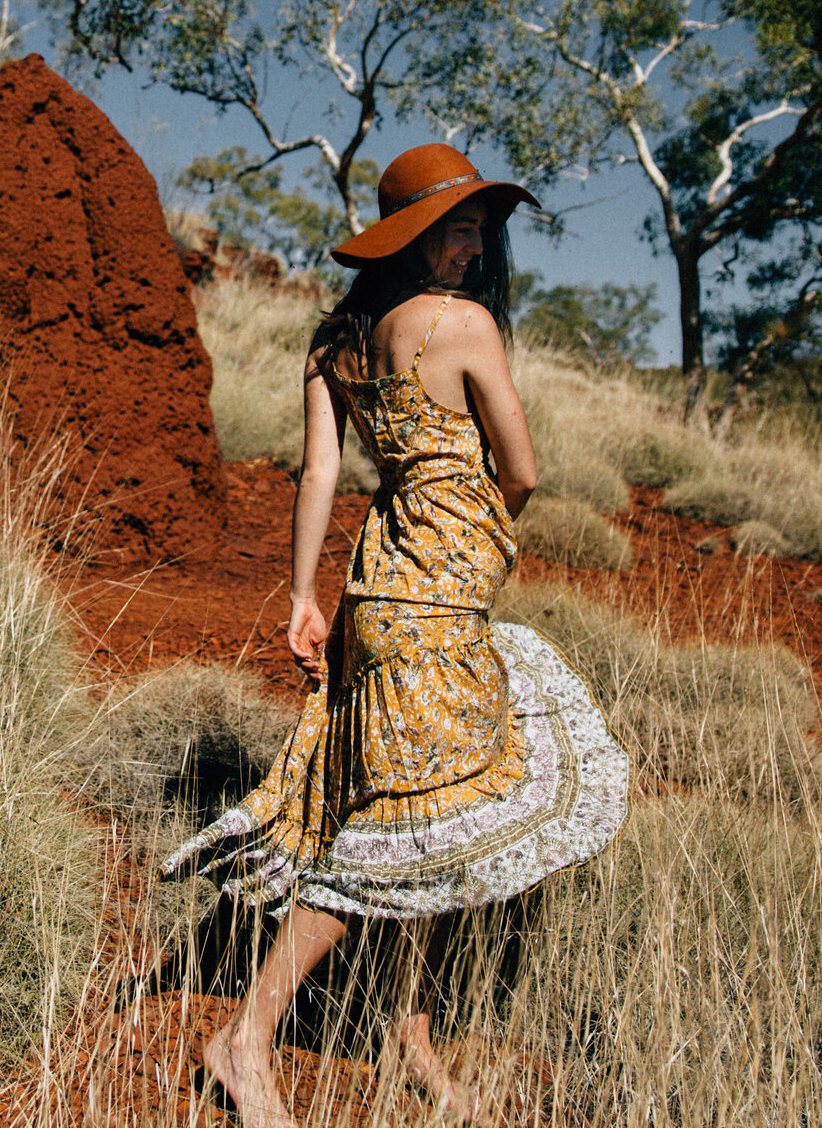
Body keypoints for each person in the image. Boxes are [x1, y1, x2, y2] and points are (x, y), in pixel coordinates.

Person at [163, 143, 629, 1127]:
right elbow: (526, 468)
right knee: (394, 829)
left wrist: (301, 594)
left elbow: (320, 476)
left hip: (376, 598)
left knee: (440, 807)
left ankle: (407, 1031)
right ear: (416, 233)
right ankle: (244, 1037)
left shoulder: (336, 342)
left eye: (477, 229)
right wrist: (471, 527)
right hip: (433, 608)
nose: (472, 246)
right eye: (459, 226)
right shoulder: (464, 326)